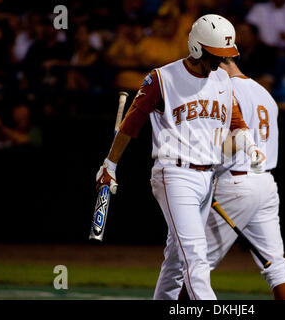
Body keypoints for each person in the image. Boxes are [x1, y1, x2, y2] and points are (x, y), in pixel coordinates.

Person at [95, 14, 266, 300]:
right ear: (197, 48)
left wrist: (250, 148)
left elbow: (238, 125)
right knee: (196, 259)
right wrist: (110, 163)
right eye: (217, 55)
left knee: (177, 261)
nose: (221, 62)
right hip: (174, 174)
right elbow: (131, 125)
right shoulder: (161, 78)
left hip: (207, 177)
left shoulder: (223, 78)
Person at [159, 57, 285, 300]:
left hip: (236, 182)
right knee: (276, 266)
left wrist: (197, 164)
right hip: (266, 183)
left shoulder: (224, 88)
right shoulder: (264, 93)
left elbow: (231, 144)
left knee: (196, 266)